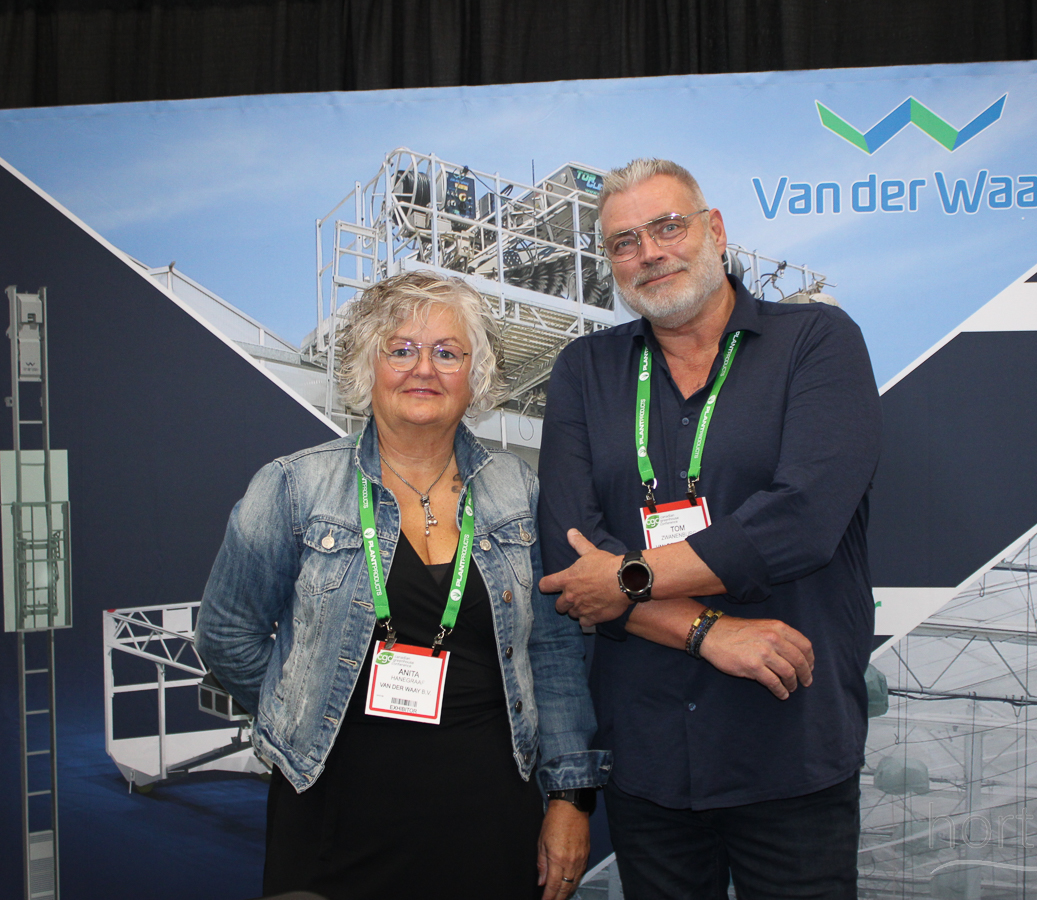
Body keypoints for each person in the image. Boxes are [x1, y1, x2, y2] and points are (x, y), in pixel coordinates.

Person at [196, 271, 610, 900]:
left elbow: (552, 653)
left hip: (492, 817)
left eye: (447, 352)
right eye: (402, 350)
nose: (424, 369)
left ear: (475, 374)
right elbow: (227, 635)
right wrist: (302, 708)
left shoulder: (518, 491)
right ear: (368, 365)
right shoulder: (293, 487)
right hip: (331, 814)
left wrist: (570, 797)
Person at [538, 159, 881, 899]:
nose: (650, 253)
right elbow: (571, 557)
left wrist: (631, 577)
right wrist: (709, 632)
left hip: (789, 745)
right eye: (625, 242)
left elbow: (802, 520)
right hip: (649, 760)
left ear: (715, 231)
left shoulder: (815, 341)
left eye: (668, 227)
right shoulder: (585, 371)